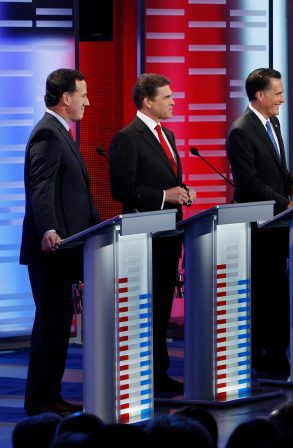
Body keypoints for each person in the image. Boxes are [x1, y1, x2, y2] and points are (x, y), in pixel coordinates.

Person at [109, 73, 196, 394]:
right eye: (167, 97)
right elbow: (122, 189)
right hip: (143, 236)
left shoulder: (168, 135)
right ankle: (143, 373)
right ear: (148, 101)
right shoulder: (127, 138)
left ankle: (159, 372)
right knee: (146, 309)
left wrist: (183, 191)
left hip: (169, 234)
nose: (173, 102)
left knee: (161, 306)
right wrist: (164, 196)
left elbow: (168, 179)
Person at [20, 68, 100, 415]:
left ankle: (49, 396)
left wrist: (98, 224)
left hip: (67, 248)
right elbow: (41, 187)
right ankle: (39, 400)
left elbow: (74, 192)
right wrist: (49, 229)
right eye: (82, 94)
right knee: (50, 324)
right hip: (51, 250)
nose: (87, 100)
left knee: (57, 323)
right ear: (65, 98)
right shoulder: (48, 134)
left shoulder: (61, 131)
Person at [225, 68, 293, 376]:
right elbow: (249, 183)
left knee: (278, 290)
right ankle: (263, 355)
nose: (282, 99)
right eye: (278, 93)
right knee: (263, 293)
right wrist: (286, 204)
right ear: (260, 95)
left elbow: (278, 169)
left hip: (278, 223)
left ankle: (277, 351)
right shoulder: (241, 131)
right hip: (257, 226)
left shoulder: (273, 122)